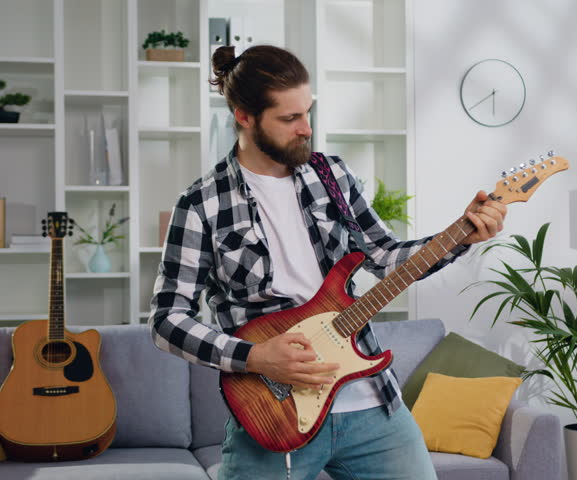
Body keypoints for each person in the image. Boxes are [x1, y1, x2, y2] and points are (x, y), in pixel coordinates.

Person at [149, 44, 507, 480]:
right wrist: (254, 356)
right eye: (290, 118)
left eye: (308, 112)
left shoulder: (332, 175)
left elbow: (383, 256)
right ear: (244, 116)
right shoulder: (201, 203)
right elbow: (167, 320)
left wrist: (461, 233)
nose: (307, 129)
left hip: (373, 407)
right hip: (272, 417)